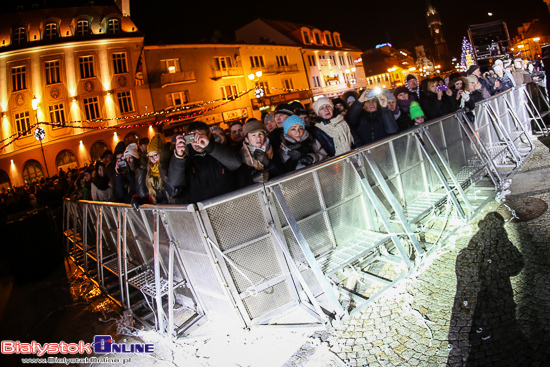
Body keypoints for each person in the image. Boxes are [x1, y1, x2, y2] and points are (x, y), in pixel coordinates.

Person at [169, 121, 243, 203]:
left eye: (200, 136)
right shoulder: (186, 158)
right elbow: (175, 182)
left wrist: (209, 147)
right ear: (187, 139)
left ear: (209, 135)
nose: (197, 142)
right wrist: (179, 157)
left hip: (227, 204)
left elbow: (236, 164)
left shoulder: (220, 149)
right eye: (192, 138)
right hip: (201, 208)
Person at [136, 133, 179, 204]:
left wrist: (162, 168)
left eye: (155, 155)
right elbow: (144, 193)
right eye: (150, 156)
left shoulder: (170, 166)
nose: (152, 159)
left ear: (162, 153)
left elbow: (174, 191)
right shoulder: (149, 171)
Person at [240, 120, 274, 184]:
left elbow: (281, 173)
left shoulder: (272, 149)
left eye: (260, 134)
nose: (258, 138)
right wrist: (253, 179)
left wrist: (268, 163)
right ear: (246, 139)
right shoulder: (242, 157)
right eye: (253, 135)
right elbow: (240, 184)